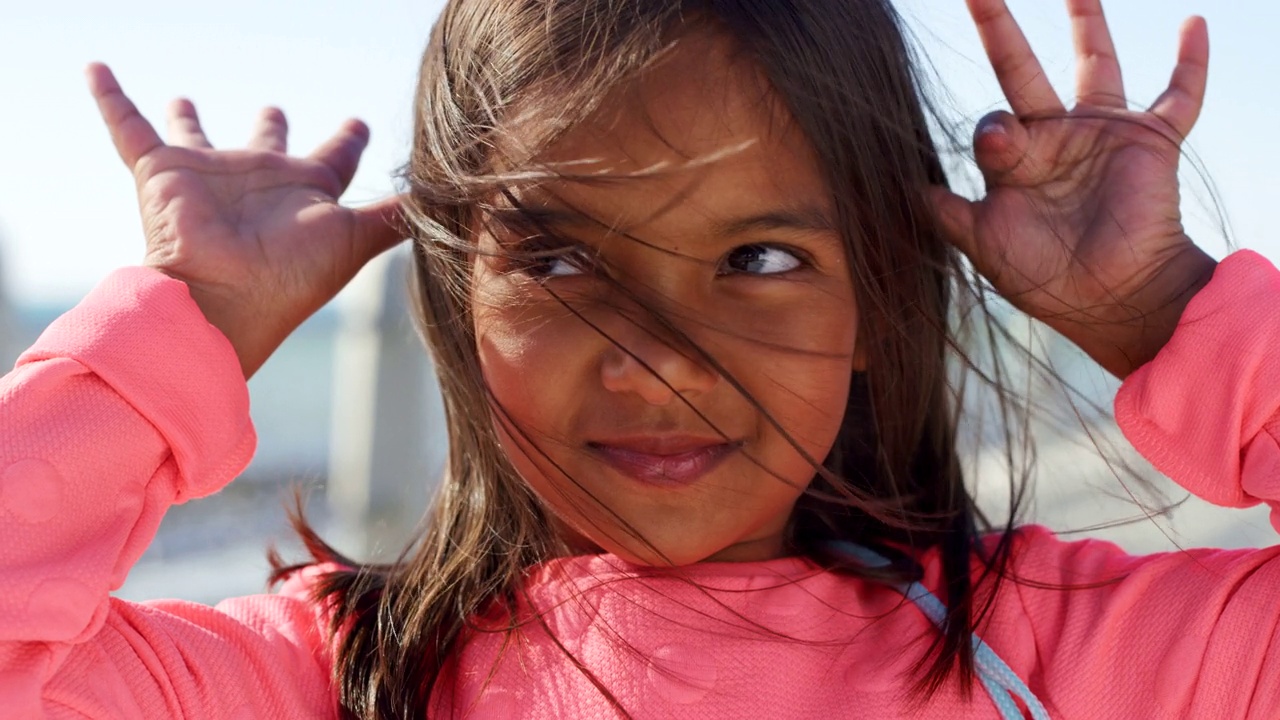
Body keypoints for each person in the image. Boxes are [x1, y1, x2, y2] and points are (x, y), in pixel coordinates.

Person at [0, 0, 1269, 717]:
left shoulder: (1076, 663)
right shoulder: (334, 683)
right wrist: (194, 320)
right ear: (456, 301)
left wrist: (1158, 307)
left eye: (759, 259)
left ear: (880, 302)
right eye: (561, 264)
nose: (654, 370)